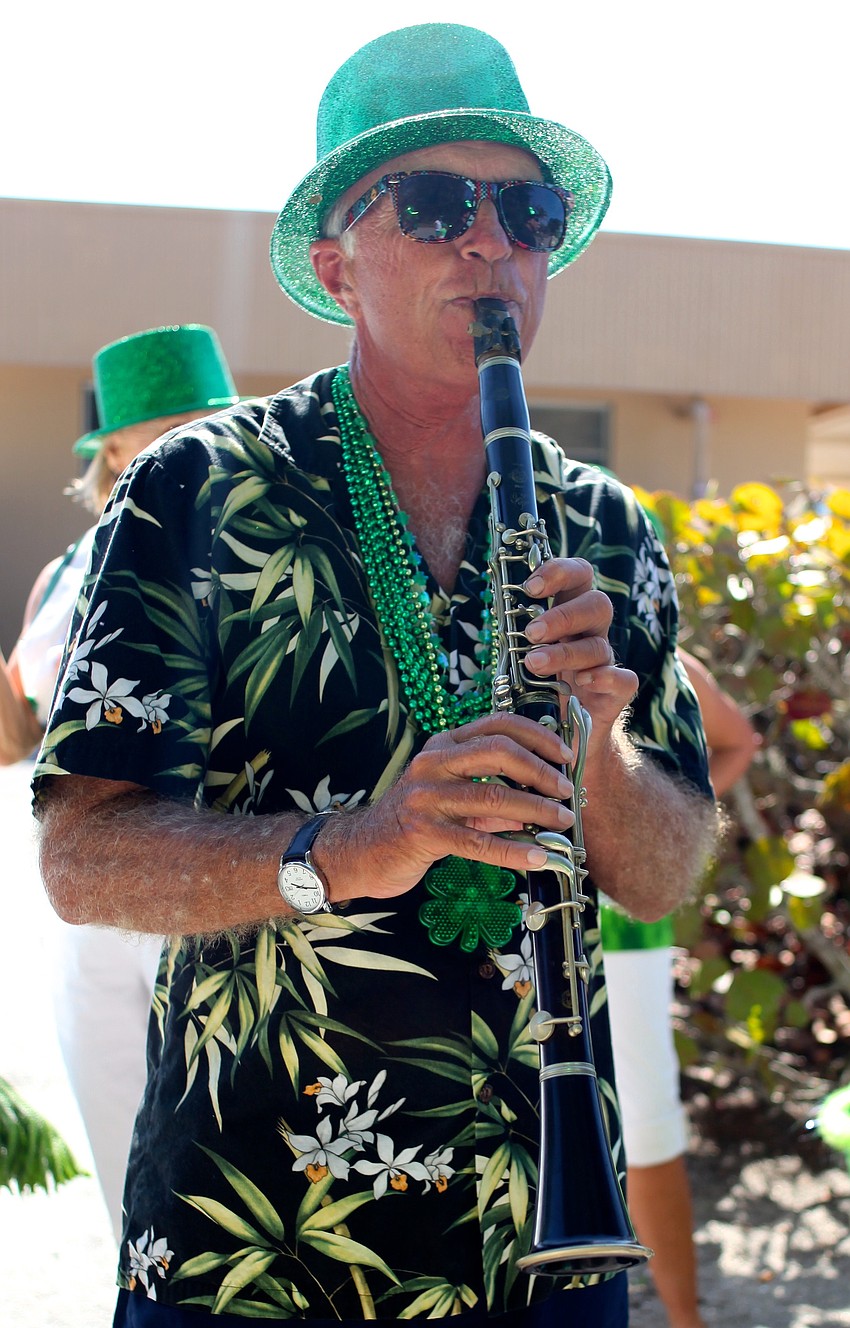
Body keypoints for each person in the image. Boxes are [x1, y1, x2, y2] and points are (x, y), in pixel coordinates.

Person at [33, 24, 718, 1328]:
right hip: (258, 1251)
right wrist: (359, 842)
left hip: (542, 1243)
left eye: (526, 209)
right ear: (337, 263)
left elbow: (664, 867)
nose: (489, 244)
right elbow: (80, 860)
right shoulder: (198, 492)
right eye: (435, 203)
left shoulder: (610, 532)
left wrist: (597, 741)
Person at [2, 324, 239, 1238]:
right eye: (167, 427)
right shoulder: (62, 574)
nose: (192, 444)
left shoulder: (242, 550)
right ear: (112, 449)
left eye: (205, 422)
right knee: (126, 1197)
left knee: (219, 1182)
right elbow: (17, 742)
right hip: (82, 909)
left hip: (198, 885)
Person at [602, 649, 759, 1328]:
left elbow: (737, 742)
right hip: (568, 921)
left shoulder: (642, 649)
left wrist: (664, 842)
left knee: (645, 1122)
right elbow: (741, 740)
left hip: (618, 923)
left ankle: (685, 1319)